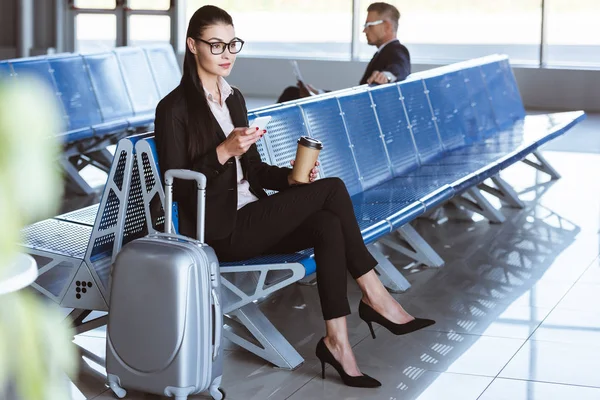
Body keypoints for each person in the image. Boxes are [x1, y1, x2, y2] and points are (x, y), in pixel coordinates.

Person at [154, 5, 433, 389]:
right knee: (333, 189)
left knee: (327, 224)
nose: (226, 54)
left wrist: (291, 178)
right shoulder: (173, 108)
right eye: (215, 45)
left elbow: (253, 171)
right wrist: (222, 151)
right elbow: (178, 186)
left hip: (252, 214)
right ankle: (375, 294)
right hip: (218, 230)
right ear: (192, 45)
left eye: (232, 44)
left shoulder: (233, 98)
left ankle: (337, 342)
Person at [277, 2, 411, 103]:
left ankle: (258, 136)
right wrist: (319, 93)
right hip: (356, 107)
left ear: (387, 26)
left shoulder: (396, 50)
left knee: (291, 94)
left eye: (369, 25)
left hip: (358, 115)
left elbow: (400, 66)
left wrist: (387, 76)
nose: (365, 31)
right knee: (294, 93)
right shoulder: (383, 53)